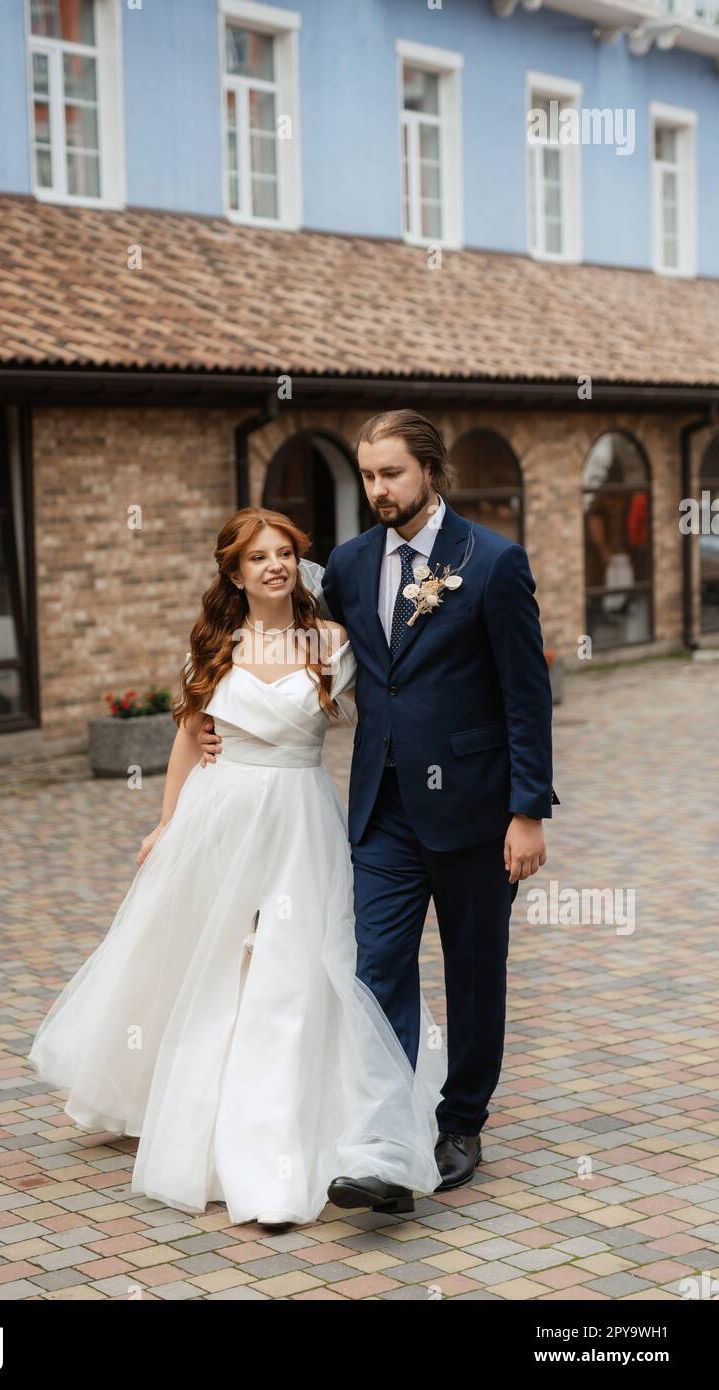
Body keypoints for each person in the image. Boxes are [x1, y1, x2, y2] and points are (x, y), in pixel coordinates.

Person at [28, 505, 446, 1230]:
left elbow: (395, 711)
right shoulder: (212, 645)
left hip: (299, 818)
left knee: (292, 967)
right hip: (219, 816)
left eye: (284, 552)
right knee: (212, 961)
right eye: (257, 558)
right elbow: (191, 740)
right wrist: (165, 822)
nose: (274, 565)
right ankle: (180, 1102)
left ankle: (278, 1147)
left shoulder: (332, 643)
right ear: (234, 571)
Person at [198, 410, 559, 1208]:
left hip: (474, 810)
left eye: (391, 473)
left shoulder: (493, 564)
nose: (377, 489)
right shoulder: (352, 566)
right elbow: (264, 609)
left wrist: (526, 810)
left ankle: (460, 1121)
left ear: (430, 471)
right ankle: (383, 1145)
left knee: (472, 974)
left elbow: (524, 698)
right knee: (374, 970)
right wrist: (223, 724)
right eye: (366, 475)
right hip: (381, 812)